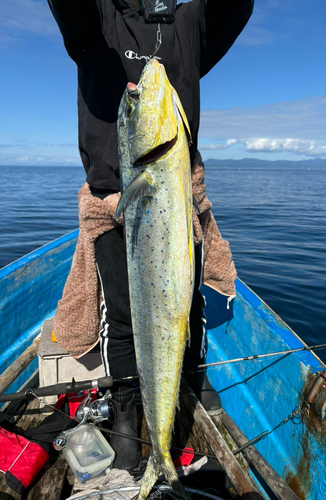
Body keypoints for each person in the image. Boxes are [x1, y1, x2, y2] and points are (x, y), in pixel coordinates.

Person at [47, 0, 254, 471]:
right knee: (122, 316)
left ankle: (185, 377)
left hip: (177, 193)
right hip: (112, 202)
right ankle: (126, 410)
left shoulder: (189, 20)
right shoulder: (95, 18)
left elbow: (234, 8)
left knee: (189, 303)